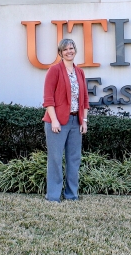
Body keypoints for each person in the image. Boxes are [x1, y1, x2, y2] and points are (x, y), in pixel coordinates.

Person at [42, 38, 89, 202]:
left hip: (76, 121)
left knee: (74, 159)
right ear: (60, 53)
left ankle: (71, 194)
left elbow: (85, 99)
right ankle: (54, 196)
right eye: (65, 49)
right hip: (57, 122)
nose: (69, 51)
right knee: (55, 159)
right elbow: (48, 99)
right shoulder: (54, 71)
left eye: (72, 48)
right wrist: (54, 120)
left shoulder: (80, 72)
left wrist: (84, 121)